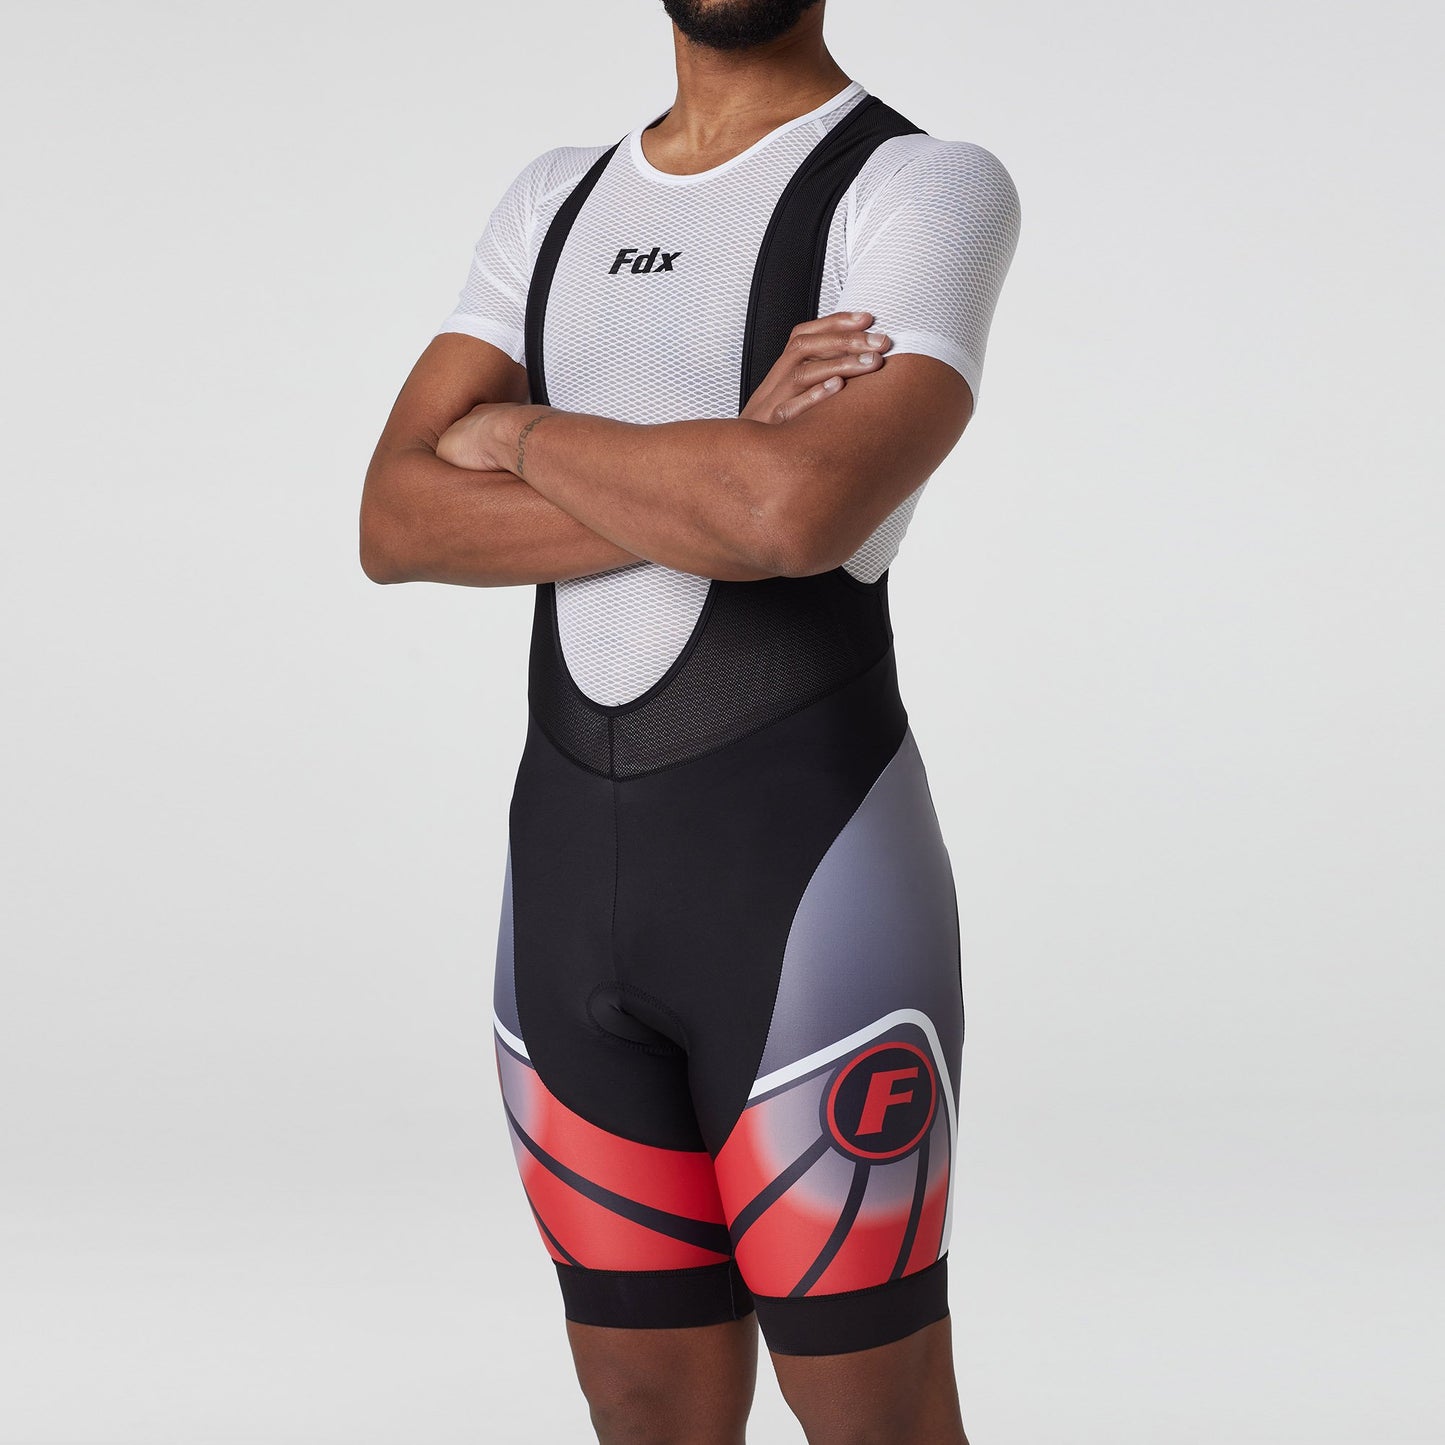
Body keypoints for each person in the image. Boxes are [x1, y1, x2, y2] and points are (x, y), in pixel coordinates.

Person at [360, 1, 1019, 1438]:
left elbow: (791, 514)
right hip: (562, 896)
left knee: (876, 1413)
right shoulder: (554, 199)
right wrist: (710, 464)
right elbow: (395, 520)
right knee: (643, 1411)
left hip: (808, 878)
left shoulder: (916, 187)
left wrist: (515, 433)